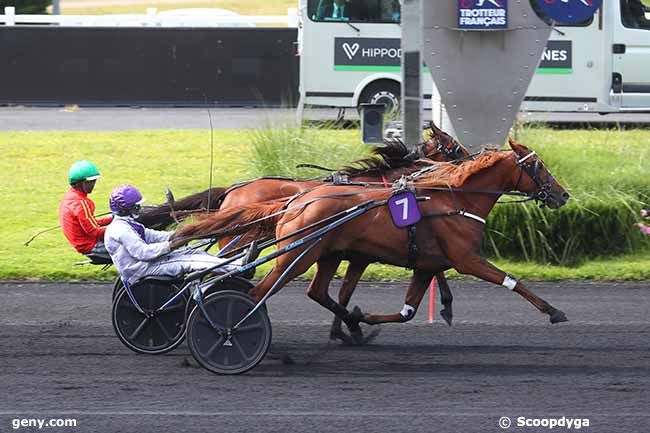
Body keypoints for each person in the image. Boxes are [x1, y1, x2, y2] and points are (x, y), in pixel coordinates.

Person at [104, 184, 258, 286]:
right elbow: (143, 253)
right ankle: (239, 265)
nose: (139, 208)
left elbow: (153, 236)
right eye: (136, 206)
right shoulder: (121, 230)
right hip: (141, 270)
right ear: (125, 209)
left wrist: (184, 233)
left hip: (145, 264)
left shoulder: (127, 224)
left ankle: (229, 266)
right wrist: (172, 246)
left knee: (194, 252)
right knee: (190, 261)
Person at [59, 160, 112, 260]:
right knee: (135, 246)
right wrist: (123, 227)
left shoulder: (70, 197)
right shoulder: (81, 203)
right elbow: (94, 231)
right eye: (91, 182)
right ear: (81, 183)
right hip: (92, 246)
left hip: (83, 244)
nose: (93, 184)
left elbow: (90, 223)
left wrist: (112, 219)